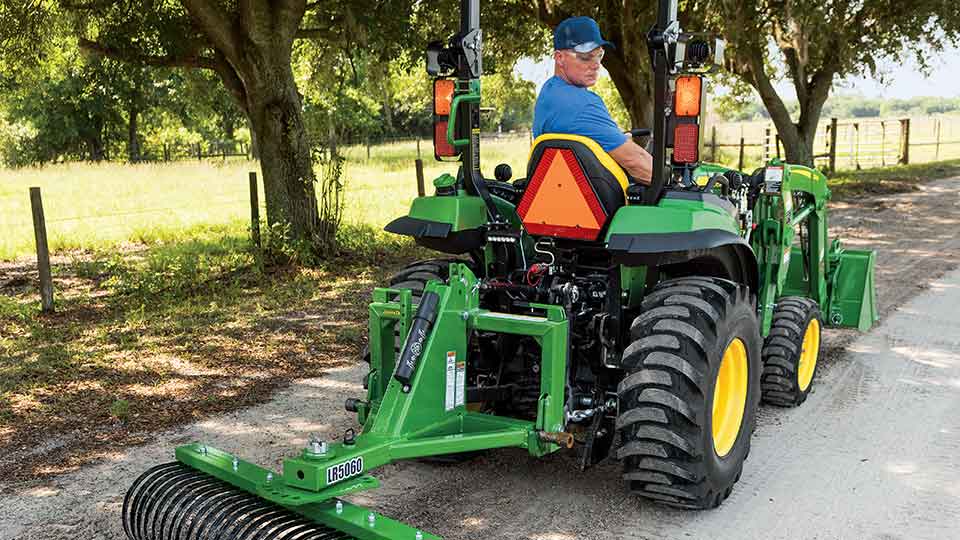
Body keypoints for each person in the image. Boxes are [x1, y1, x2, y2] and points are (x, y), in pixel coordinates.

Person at [533, 16, 653, 184]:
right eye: (585, 57)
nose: (596, 65)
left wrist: (618, 141)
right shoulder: (583, 104)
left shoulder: (549, 92)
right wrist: (675, 182)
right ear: (559, 58)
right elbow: (638, 164)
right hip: (589, 197)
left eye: (599, 55)